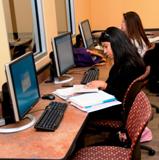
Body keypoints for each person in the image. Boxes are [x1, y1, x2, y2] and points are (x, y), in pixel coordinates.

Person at [86, 27, 146, 119]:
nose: (105, 51)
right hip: (120, 106)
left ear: (116, 44)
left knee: (80, 110)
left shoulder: (128, 66)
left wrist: (104, 85)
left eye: (106, 47)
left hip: (117, 110)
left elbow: (122, 95)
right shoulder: (127, 59)